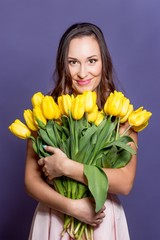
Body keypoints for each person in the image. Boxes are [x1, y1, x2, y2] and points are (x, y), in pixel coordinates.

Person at [25, 22, 137, 240]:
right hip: (55, 216)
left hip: (100, 217)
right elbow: (31, 181)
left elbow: (125, 182)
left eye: (92, 61)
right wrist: (72, 207)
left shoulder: (120, 115)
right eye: (73, 62)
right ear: (62, 65)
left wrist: (67, 167)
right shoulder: (47, 112)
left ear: (104, 62)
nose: (82, 72)